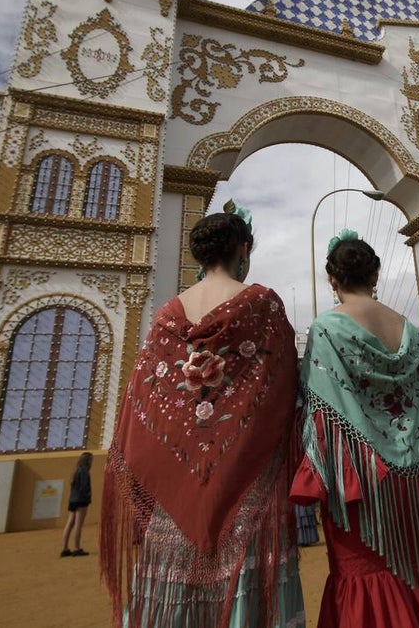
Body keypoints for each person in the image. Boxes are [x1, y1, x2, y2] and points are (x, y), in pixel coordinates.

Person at [101, 203, 305, 627]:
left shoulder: (167, 315)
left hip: (174, 493)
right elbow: (286, 385)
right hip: (248, 484)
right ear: (243, 250)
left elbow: (142, 396)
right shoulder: (262, 304)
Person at [292, 231, 419, 628]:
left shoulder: (327, 328)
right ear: (375, 273)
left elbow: (319, 409)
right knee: (418, 574)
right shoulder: (410, 331)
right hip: (416, 482)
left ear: (332, 279)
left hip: (360, 484)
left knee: (360, 576)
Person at [60, 451, 93, 557]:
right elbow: (84, 487)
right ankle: (76, 547)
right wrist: (88, 495)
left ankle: (65, 548)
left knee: (69, 523)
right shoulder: (84, 471)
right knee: (78, 524)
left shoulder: (75, 471)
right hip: (81, 500)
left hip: (73, 499)